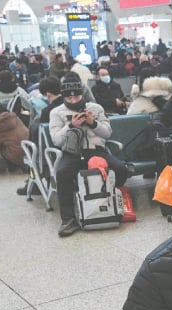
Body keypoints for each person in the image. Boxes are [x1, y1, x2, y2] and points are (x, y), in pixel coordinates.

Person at [49, 73, 128, 237]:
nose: (73, 101)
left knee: (120, 168)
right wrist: (71, 125)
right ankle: (68, 220)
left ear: (82, 95)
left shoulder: (96, 108)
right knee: (63, 173)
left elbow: (107, 134)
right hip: (72, 152)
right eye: (69, 98)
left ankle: (112, 204)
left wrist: (93, 123)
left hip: (95, 151)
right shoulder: (56, 113)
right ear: (63, 97)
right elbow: (56, 140)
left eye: (76, 97)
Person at [0, 103, 28, 170]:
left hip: (18, 156)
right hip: (30, 151)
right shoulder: (15, 118)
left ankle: (13, 167)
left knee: (1, 146)